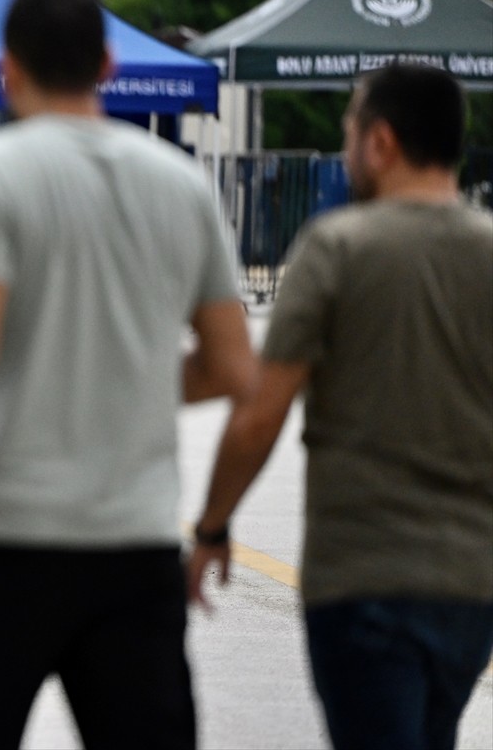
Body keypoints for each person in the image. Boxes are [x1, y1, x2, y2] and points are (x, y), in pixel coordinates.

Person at [0, 0, 256, 748]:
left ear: (7, 68)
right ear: (108, 64)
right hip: (134, 543)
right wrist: (135, 380)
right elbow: (231, 366)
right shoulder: (180, 183)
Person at [188, 64, 493, 750]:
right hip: (471, 585)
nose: (347, 145)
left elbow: (262, 412)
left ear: (381, 142)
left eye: (351, 130)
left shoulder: (336, 248)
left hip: (362, 577)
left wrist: (212, 526)